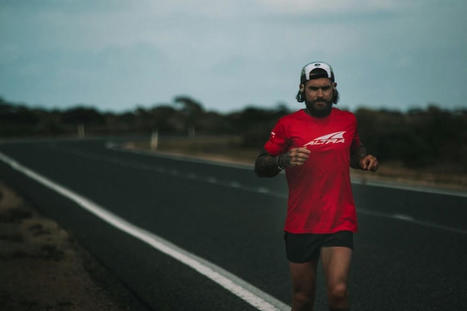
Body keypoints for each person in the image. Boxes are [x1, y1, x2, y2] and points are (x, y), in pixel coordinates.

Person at [254, 61, 378, 311]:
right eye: (313, 88)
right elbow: (260, 165)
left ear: (333, 88)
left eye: (325, 88)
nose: (320, 94)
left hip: (339, 219)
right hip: (302, 222)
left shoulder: (347, 121)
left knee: (339, 292)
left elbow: (355, 149)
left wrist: (364, 159)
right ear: (303, 89)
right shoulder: (288, 124)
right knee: (303, 298)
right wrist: (283, 160)